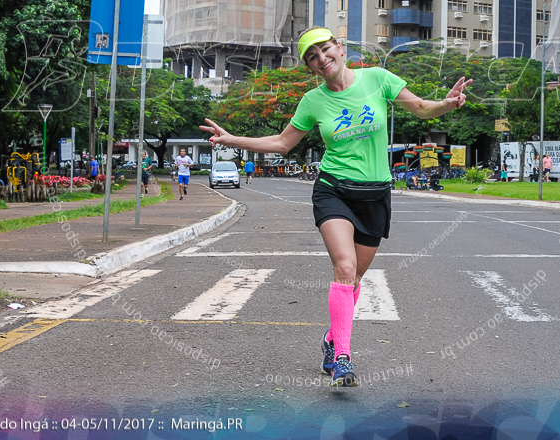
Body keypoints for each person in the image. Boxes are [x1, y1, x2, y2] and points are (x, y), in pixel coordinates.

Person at [200, 27, 472, 386]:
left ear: (340, 49)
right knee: (344, 267)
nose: (321, 59)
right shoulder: (313, 101)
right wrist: (231, 139)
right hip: (333, 190)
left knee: (355, 278)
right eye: (312, 57)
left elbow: (421, 108)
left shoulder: (378, 79)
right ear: (311, 67)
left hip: (375, 194)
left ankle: (331, 338)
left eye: (325, 50)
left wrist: (447, 105)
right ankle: (342, 356)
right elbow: (283, 143)